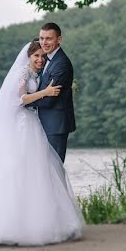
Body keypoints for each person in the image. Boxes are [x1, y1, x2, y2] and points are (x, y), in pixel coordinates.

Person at [0, 39, 84, 246]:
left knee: (37, 173)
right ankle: (6, 227)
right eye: (36, 56)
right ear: (28, 57)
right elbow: (21, 99)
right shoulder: (22, 74)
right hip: (20, 125)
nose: (40, 59)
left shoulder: (38, 74)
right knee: (14, 171)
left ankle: (38, 223)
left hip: (32, 124)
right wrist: (45, 93)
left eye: (42, 56)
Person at [24, 23, 75, 162]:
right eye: (41, 38)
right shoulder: (46, 58)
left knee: (54, 169)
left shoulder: (61, 63)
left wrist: (23, 101)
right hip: (43, 123)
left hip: (55, 125)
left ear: (59, 40)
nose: (44, 42)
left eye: (49, 38)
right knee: (44, 169)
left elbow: (49, 99)